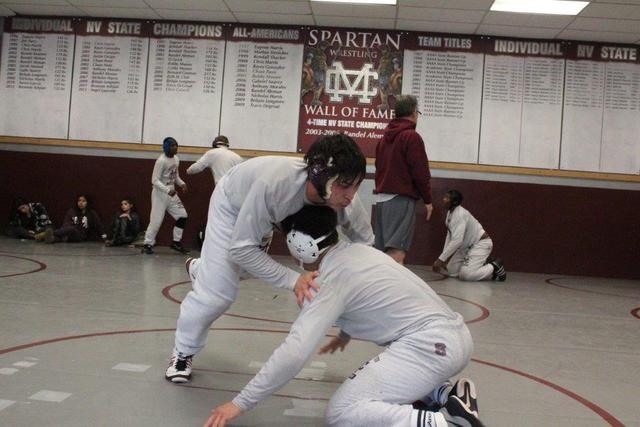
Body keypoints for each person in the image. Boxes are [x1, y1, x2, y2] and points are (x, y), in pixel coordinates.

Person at [204, 205, 484, 427]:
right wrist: (345, 332)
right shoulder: (358, 251)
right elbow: (374, 298)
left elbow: (294, 353)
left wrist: (239, 403)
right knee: (386, 374)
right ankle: (446, 395)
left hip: (428, 348)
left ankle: (443, 422)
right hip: (452, 340)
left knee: (342, 412)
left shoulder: (330, 279)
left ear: (298, 244)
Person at [165, 134, 374, 384]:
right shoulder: (273, 186)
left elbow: (365, 242)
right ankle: (183, 350)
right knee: (217, 294)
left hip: (272, 217)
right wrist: (293, 280)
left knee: (246, 269)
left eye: (356, 185)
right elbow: (241, 249)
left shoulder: (346, 202)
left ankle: (205, 269)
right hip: (233, 205)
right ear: (322, 175)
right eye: (345, 184)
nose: (351, 195)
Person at [374, 94, 433, 264]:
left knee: (383, 253)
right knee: (397, 253)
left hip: (382, 200)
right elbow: (420, 172)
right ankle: (392, 291)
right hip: (401, 199)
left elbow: (379, 167)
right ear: (414, 113)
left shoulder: (384, 139)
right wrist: (428, 200)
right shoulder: (411, 137)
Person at [432, 190, 506, 282]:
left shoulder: (459, 215)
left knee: (466, 275)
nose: (443, 199)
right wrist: (444, 257)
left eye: (447, 198)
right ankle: (478, 264)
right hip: (467, 247)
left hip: (480, 244)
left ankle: (494, 266)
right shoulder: (450, 213)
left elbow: (457, 241)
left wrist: (440, 259)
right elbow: (450, 236)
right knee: (451, 271)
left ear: (454, 202)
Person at [141, 137, 189, 255]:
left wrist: (182, 183)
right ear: (167, 147)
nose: (175, 148)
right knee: (156, 221)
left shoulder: (176, 159)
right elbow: (154, 180)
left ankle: (176, 242)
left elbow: (175, 176)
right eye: (172, 146)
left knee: (182, 216)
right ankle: (147, 243)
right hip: (160, 194)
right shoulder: (161, 161)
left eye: (176, 145)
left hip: (172, 193)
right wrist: (167, 190)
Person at [42, 194, 107, 244]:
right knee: (64, 236)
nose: (81, 203)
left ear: (87, 202)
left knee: (72, 229)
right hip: (68, 233)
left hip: (80, 236)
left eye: (83, 201)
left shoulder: (91, 213)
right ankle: (51, 238)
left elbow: (98, 225)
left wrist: (104, 237)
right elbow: (66, 223)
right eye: (79, 201)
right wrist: (65, 230)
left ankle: (44, 234)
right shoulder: (72, 211)